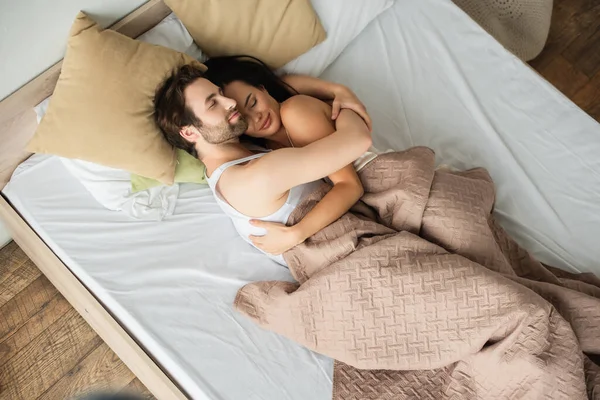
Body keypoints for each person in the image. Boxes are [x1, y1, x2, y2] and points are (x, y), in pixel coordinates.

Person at [154, 64, 372, 265]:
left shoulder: (239, 156)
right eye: (213, 103)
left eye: (221, 94)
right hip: (348, 255)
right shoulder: (254, 176)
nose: (230, 103)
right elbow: (358, 140)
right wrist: (340, 104)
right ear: (190, 132)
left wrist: (336, 89)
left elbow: (277, 84)